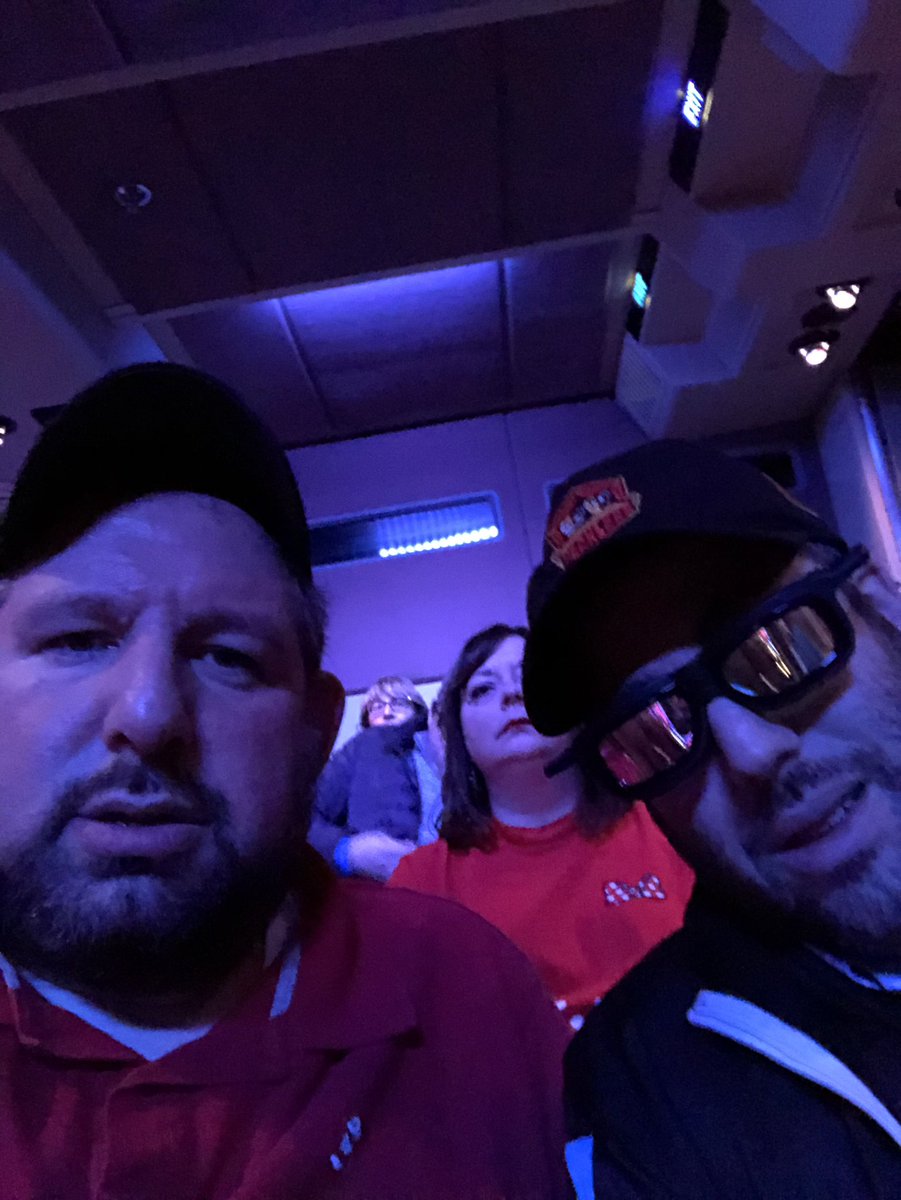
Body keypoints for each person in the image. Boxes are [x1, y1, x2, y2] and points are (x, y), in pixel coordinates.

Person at [0, 362, 574, 1200]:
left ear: (314, 728)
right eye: (78, 641)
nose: (149, 713)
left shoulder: (468, 991)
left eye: (228, 658)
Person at [522, 439, 901, 1199]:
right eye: (653, 733)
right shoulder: (643, 1093)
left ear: (881, 602)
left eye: (781, 646)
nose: (750, 753)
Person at [390, 624, 693, 1027]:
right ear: (458, 735)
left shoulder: (667, 821)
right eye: (483, 689)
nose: (513, 695)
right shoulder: (422, 882)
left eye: (530, 679)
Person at [308, 676, 443, 880]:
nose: (387, 712)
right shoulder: (360, 749)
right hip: (381, 887)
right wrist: (348, 851)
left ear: (418, 709)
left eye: (399, 703)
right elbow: (304, 819)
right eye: (377, 707)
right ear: (366, 720)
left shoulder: (446, 743)